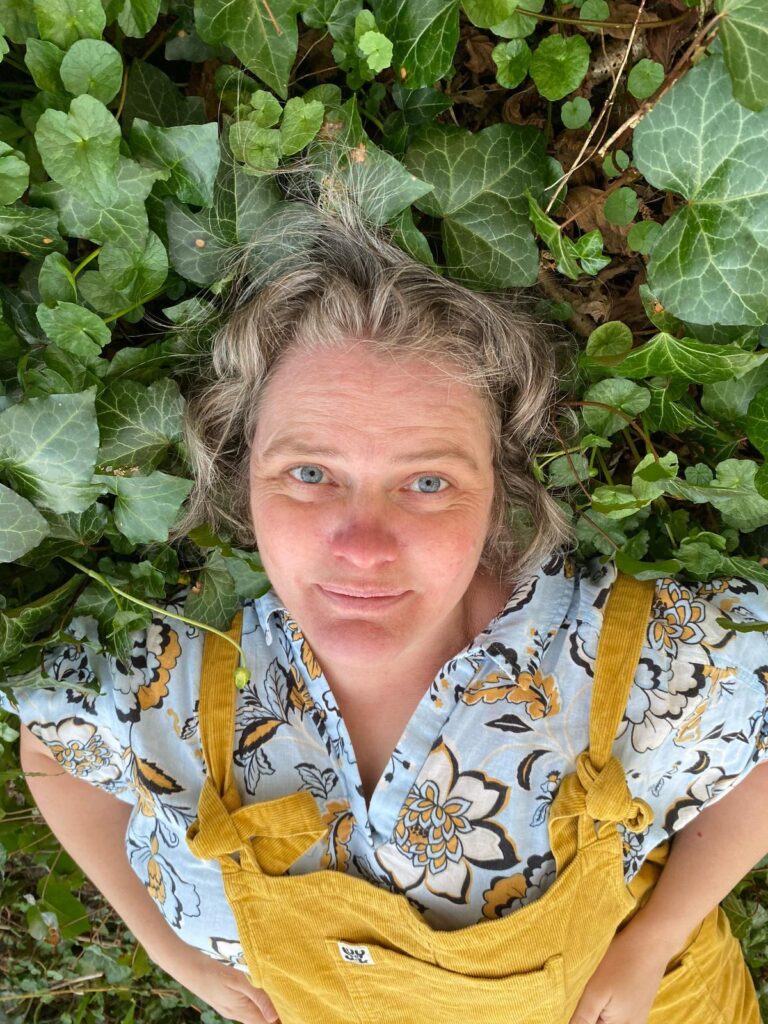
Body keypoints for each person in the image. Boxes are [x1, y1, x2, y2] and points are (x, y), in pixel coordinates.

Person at [3, 171, 767, 1024]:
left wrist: (655, 939)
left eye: (428, 481)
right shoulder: (165, 665)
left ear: (502, 486)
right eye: (309, 473)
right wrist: (163, 948)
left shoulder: (624, 653)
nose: (362, 547)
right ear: (238, 467)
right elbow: (53, 748)